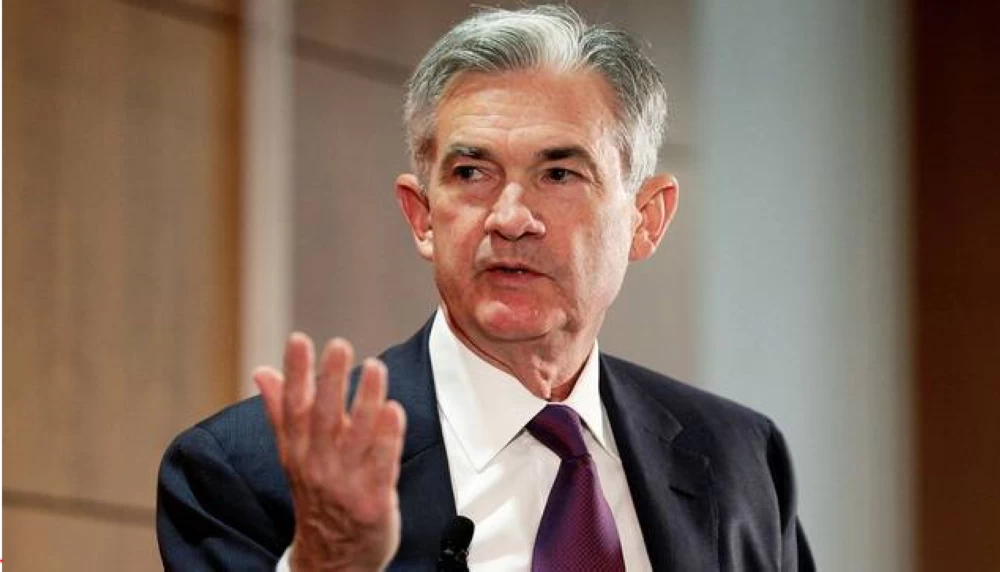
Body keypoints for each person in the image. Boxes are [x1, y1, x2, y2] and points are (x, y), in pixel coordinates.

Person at [157, 5, 814, 571]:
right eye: (472, 173)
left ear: (646, 219)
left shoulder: (738, 458)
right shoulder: (250, 472)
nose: (510, 217)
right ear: (422, 216)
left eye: (559, 174)